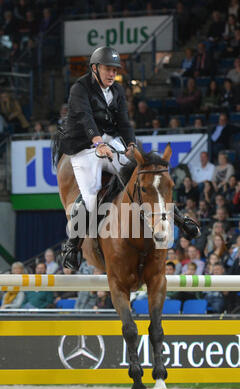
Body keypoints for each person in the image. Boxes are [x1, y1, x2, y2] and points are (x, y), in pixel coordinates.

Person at [53, 46, 200, 271]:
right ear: (95, 68)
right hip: (83, 145)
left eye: (115, 70)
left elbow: (123, 121)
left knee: (144, 175)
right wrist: (98, 143)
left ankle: (181, 219)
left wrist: (130, 144)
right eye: (108, 69)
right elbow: (85, 118)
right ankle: (72, 246)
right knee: (90, 197)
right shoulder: (80, 88)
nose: (112, 74)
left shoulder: (118, 90)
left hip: (111, 143)